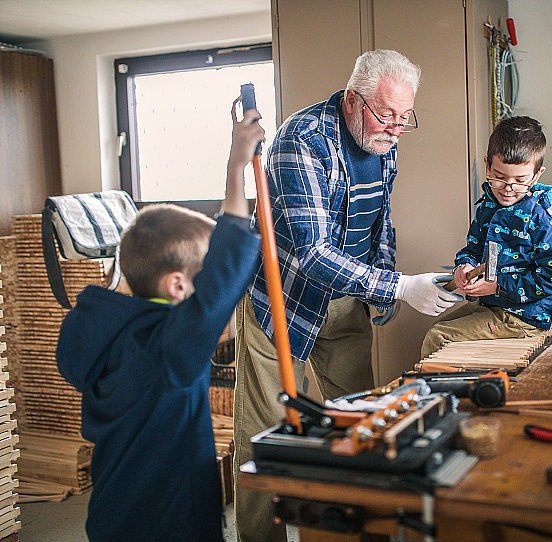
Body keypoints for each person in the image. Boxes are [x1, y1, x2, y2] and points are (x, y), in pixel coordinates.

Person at [234, 49, 461, 542]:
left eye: (406, 118)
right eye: (388, 115)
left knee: (360, 420)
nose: (397, 129)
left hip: (348, 299)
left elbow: (379, 222)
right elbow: (313, 254)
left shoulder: (384, 138)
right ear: (355, 101)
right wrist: (401, 289)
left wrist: (384, 287)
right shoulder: (303, 139)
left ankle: (350, 532)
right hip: (284, 301)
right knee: (266, 437)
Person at [56, 98, 265, 541]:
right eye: (196, 278)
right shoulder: (168, 350)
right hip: (172, 525)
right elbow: (223, 279)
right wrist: (235, 167)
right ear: (175, 287)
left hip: (110, 517)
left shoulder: (90, 325)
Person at [420, 116, 552, 358]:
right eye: (500, 176)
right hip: (493, 305)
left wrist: (497, 286)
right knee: (436, 329)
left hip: (526, 316)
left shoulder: (548, 216)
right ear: (487, 166)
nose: (508, 187)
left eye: (520, 180)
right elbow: (472, 249)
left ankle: (440, 396)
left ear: (537, 174)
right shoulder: (488, 204)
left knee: (439, 337)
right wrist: (464, 267)